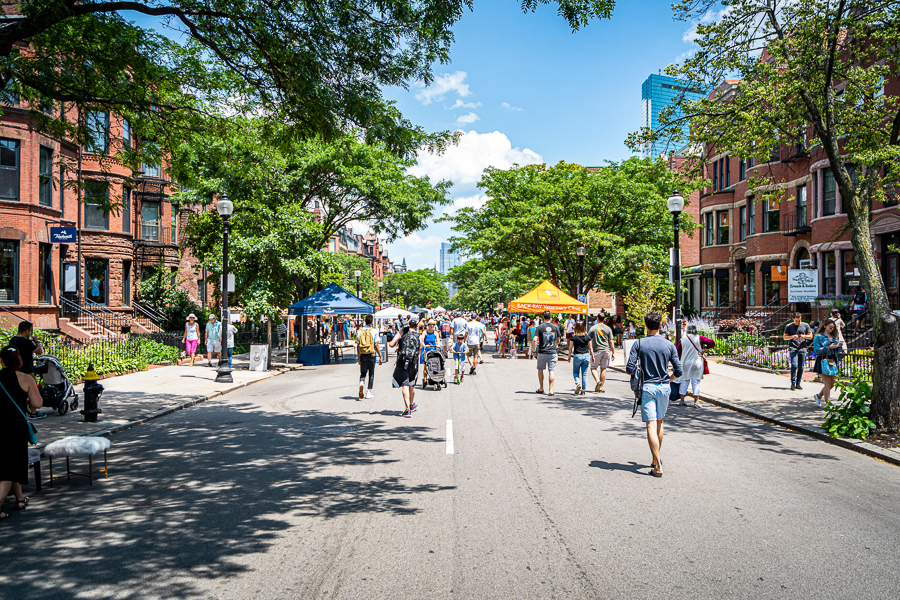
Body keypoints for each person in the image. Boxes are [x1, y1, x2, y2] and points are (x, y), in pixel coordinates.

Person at [625, 311, 683, 478]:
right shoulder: (669, 345)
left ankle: (657, 466)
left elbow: (629, 368)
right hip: (664, 387)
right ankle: (655, 457)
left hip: (648, 387)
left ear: (645, 325)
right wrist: (669, 380)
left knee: (650, 425)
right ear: (660, 326)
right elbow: (679, 370)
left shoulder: (639, 344)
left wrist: (640, 372)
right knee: (659, 422)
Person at [0, 345, 43, 521]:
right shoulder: (25, 378)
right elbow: (37, 403)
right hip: (15, 427)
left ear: (1, 361)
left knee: (8, 465)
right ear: (19, 360)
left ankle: (19, 499)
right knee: (11, 469)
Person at [675, 324, 715, 407]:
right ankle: (696, 402)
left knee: (684, 381)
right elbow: (711, 342)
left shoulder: (682, 340)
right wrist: (704, 350)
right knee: (696, 382)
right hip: (697, 362)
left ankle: (682, 400)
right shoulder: (700, 338)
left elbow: (678, 352)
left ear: (687, 331)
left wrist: (678, 363)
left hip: (685, 363)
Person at [389, 316, 420, 417]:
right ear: (417, 325)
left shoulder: (402, 332)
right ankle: (411, 404)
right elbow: (419, 350)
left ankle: (407, 410)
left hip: (402, 362)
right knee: (412, 383)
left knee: (405, 384)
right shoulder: (419, 335)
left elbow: (391, 344)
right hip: (414, 363)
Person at [813, 319, 841, 408]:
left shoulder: (833, 336)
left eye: (833, 328)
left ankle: (818, 396)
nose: (831, 329)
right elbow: (817, 350)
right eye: (830, 327)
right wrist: (828, 347)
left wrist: (838, 346)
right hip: (823, 360)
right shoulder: (818, 337)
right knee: (827, 384)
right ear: (824, 326)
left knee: (833, 383)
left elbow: (837, 349)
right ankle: (828, 404)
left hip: (832, 360)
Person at [533, 310, 562, 395]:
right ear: (551, 317)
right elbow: (559, 339)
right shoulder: (555, 327)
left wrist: (534, 351)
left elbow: (534, 340)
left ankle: (541, 388)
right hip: (552, 352)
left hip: (542, 352)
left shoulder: (539, 327)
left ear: (543, 317)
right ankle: (551, 390)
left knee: (540, 370)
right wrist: (556, 345)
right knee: (551, 370)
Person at [783, 312, 813, 391]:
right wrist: (792, 337)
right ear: (793, 319)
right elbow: (785, 337)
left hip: (802, 347)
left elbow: (810, 336)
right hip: (793, 347)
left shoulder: (805, 325)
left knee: (801, 367)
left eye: (799, 320)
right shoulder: (789, 326)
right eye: (796, 320)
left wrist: (803, 336)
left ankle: (798, 383)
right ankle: (793, 382)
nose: (798, 322)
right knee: (794, 364)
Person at [357, 314, 382, 400]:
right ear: (372, 322)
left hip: (363, 354)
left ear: (364, 321)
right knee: (371, 374)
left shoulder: (359, 331)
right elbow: (376, 344)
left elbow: (358, 345)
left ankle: (361, 383)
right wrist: (380, 356)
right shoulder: (374, 331)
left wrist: (358, 357)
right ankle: (368, 392)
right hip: (372, 354)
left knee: (363, 373)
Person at [588, 316, 615, 393]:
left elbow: (588, 339)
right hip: (606, 350)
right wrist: (613, 352)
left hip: (596, 351)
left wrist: (589, 350)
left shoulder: (593, 328)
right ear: (604, 319)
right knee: (603, 368)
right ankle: (601, 387)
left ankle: (597, 381)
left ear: (597, 318)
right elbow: (611, 341)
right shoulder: (608, 328)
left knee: (593, 368)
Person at [567, 321, 593, 395]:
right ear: (584, 327)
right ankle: (583, 391)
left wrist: (569, 356)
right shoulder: (587, 336)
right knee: (584, 374)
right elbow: (590, 347)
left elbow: (570, 347)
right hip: (586, 355)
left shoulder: (573, 336)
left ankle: (578, 383)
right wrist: (593, 356)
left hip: (577, 355)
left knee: (575, 372)